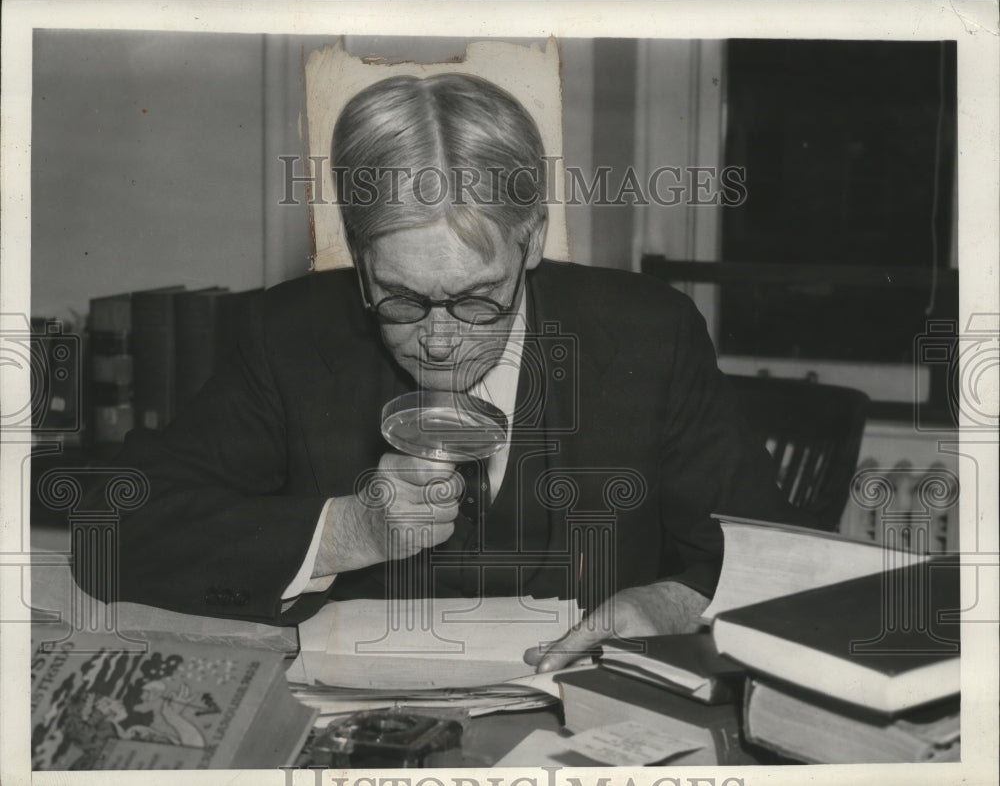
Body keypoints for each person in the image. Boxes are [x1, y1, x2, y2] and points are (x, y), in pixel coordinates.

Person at [76, 73, 798, 673]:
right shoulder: (287, 335)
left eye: (480, 298)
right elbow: (110, 532)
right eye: (400, 299)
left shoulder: (649, 331)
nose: (441, 341)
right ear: (358, 256)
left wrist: (669, 604)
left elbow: (767, 558)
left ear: (533, 239)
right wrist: (344, 532)